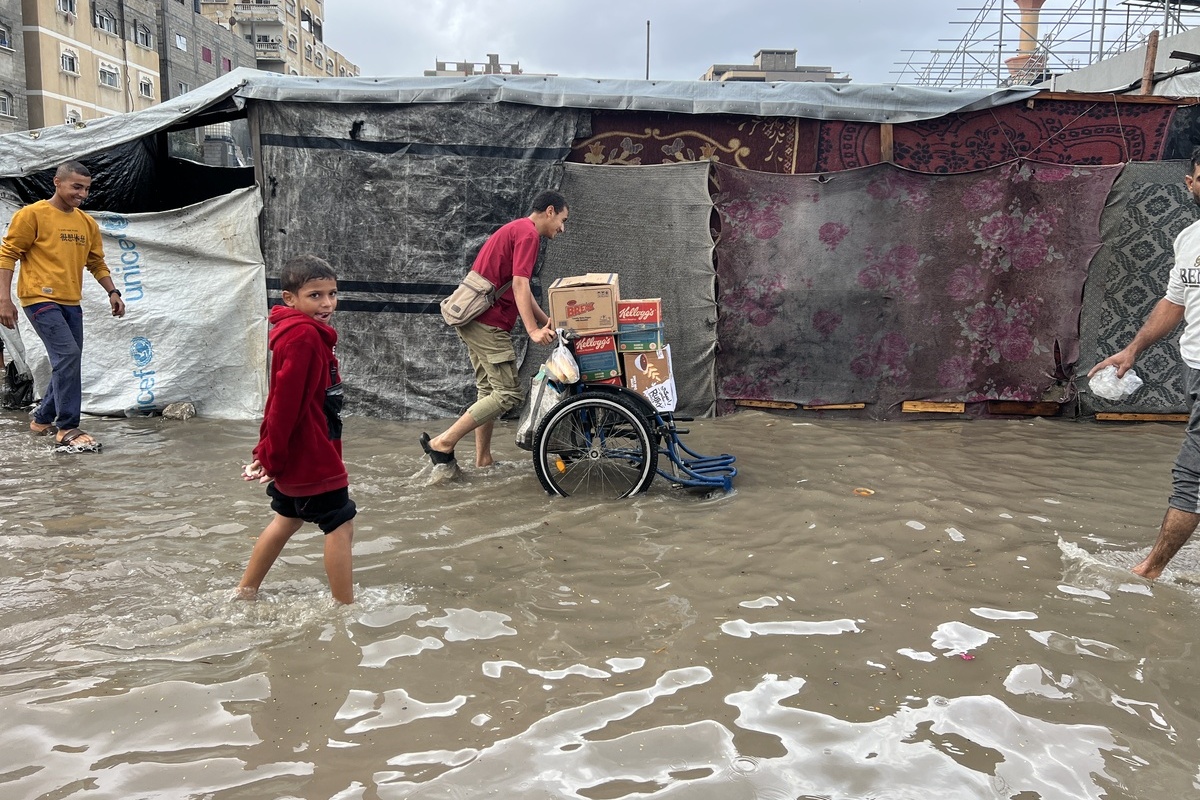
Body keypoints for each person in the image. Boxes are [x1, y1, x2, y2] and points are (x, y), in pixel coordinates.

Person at [1089, 145, 1200, 581]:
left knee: (1191, 476)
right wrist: (1133, 350)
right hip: (1194, 368)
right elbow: (1175, 302)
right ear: (1190, 184)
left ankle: (1149, 572)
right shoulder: (1188, 239)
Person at [238, 254, 357, 604]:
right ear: (290, 299)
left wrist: (267, 451)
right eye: (315, 295)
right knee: (340, 523)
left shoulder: (300, 333)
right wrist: (271, 456)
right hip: (310, 453)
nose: (327, 303)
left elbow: (278, 401)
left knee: (286, 519)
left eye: (332, 294)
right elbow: (285, 405)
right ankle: (344, 609)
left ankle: (245, 592)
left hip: (302, 449)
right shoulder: (304, 337)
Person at [422, 190, 568, 469]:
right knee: (508, 393)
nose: (562, 228)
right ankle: (444, 442)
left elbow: (515, 289)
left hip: (474, 320)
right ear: (550, 211)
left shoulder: (517, 229)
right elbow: (519, 285)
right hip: (488, 324)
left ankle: (483, 459)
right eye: (562, 219)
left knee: (487, 389)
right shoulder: (528, 235)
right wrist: (533, 331)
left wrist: (544, 319)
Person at [0, 161, 126, 451]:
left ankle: (43, 418)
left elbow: (96, 262)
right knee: (68, 355)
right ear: (57, 182)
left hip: (71, 302)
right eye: (76, 187)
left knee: (69, 361)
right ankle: (67, 427)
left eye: (86, 188)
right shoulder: (32, 215)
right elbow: (7, 255)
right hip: (39, 298)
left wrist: (113, 292)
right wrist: (4, 300)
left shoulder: (86, 223)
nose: (81, 194)